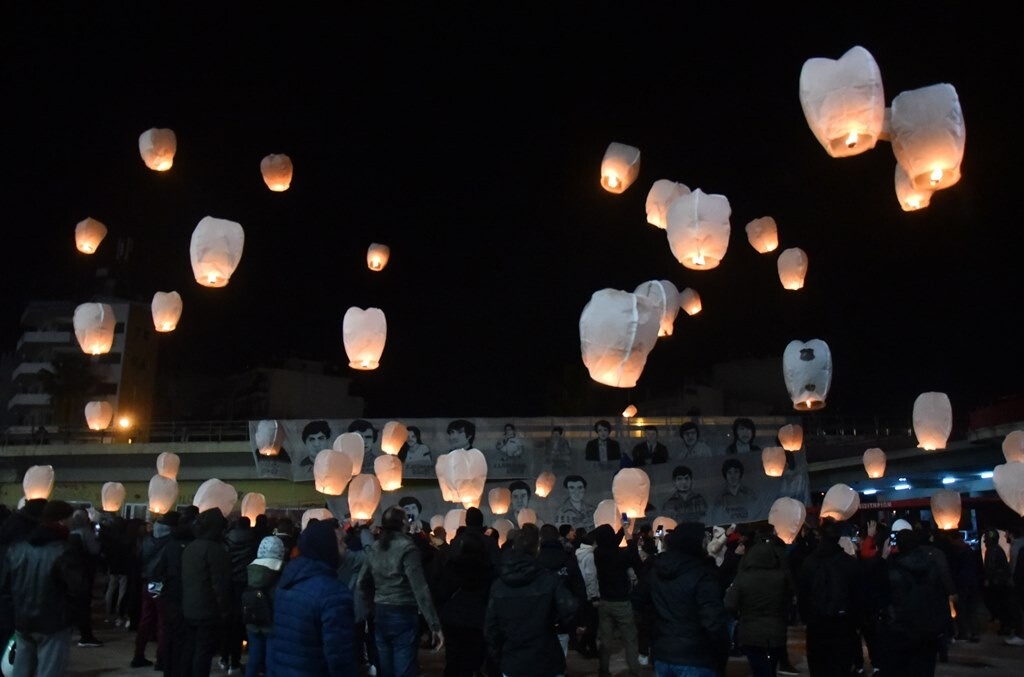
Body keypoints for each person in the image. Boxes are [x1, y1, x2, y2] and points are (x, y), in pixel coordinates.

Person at [2, 499, 88, 677]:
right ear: (61, 521)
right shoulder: (63, 551)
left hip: (23, 621)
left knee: (21, 670)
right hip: (53, 624)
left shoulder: (18, 548)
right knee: (49, 671)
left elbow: (7, 585)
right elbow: (77, 588)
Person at [357, 506, 444, 677]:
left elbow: (362, 582)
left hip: (380, 613)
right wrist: (434, 625)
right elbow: (420, 588)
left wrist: (372, 607)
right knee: (404, 670)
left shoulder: (375, 547)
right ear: (404, 523)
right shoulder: (408, 548)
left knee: (386, 670)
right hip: (403, 612)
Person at [484, 524, 578, 677]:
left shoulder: (499, 585)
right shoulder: (549, 579)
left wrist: (500, 658)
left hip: (513, 661)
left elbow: (491, 629)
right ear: (537, 548)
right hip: (547, 659)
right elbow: (570, 609)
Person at [641, 522, 730, 677]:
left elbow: (643, 605)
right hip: (696, 655)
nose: (706, 543)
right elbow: (713, 621)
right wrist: (721, 653)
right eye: (704, 539)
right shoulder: (702, 573)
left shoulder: (657, 569)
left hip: (663, 652)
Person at [268, 520, 355, 676]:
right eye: (341, 542)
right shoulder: (333, 594)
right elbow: (340, 656)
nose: (346, 547)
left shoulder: (287, 581)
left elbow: (276, 643)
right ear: (326, 546)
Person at [879, 528, 956, 676]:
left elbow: (882, 595)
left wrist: (883, 559)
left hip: (902, 628)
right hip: (928, 628)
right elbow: (941, 595)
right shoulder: (933, 564)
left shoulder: (893, 570)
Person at [797, 518, 862, 677]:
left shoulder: (809, 563)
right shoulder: (849, 563)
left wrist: (806, 617)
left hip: (817, 624)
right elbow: (858, 596)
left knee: (819, 667)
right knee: (840, 666)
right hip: (843, 624)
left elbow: (802, 594)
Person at [724, 531, 793, 677]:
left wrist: (739, 615)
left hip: (750, 629)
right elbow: (789, 599)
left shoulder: (743, 577)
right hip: (776, 628)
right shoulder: (781, 578)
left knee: (758, 667)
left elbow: (730, 603)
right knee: (770, 667)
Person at [435, 525, 495, 677]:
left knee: (454, 660)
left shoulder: (453, 566)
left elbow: (442, 592)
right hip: (478, 619)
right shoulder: (487, 570)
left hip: (453, 619)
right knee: (474, 660)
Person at [181, 507, 233, 677]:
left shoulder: (190, 547)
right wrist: (225, 610)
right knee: (203, 653)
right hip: (207, 609)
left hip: (189, 606)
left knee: (190, 649)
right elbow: (220, 584)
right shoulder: (214, 550)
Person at [592, 523, 642, 677]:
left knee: (605, 641)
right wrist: (630, 538)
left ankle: (604, 670)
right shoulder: (621, 555)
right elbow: (634, 559)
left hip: (605, 602)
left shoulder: (598, 553)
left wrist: (623, 529)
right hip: (622, 602)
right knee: (630, 639)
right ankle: (634, 671)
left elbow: (611, 544)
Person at [131, 511, 177, 669]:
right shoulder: (171, 542)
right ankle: (161, 659)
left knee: (146, 619)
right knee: (162, 622)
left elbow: (139, 558)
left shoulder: (147, 539)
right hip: (161, 584)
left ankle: (138, 655)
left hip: (148, 582)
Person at [243, 535, 285, 677]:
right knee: (271, 661)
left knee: (253, 659)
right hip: (273, 621)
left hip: (252, 619)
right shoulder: (280, 570)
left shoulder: (251, 569)